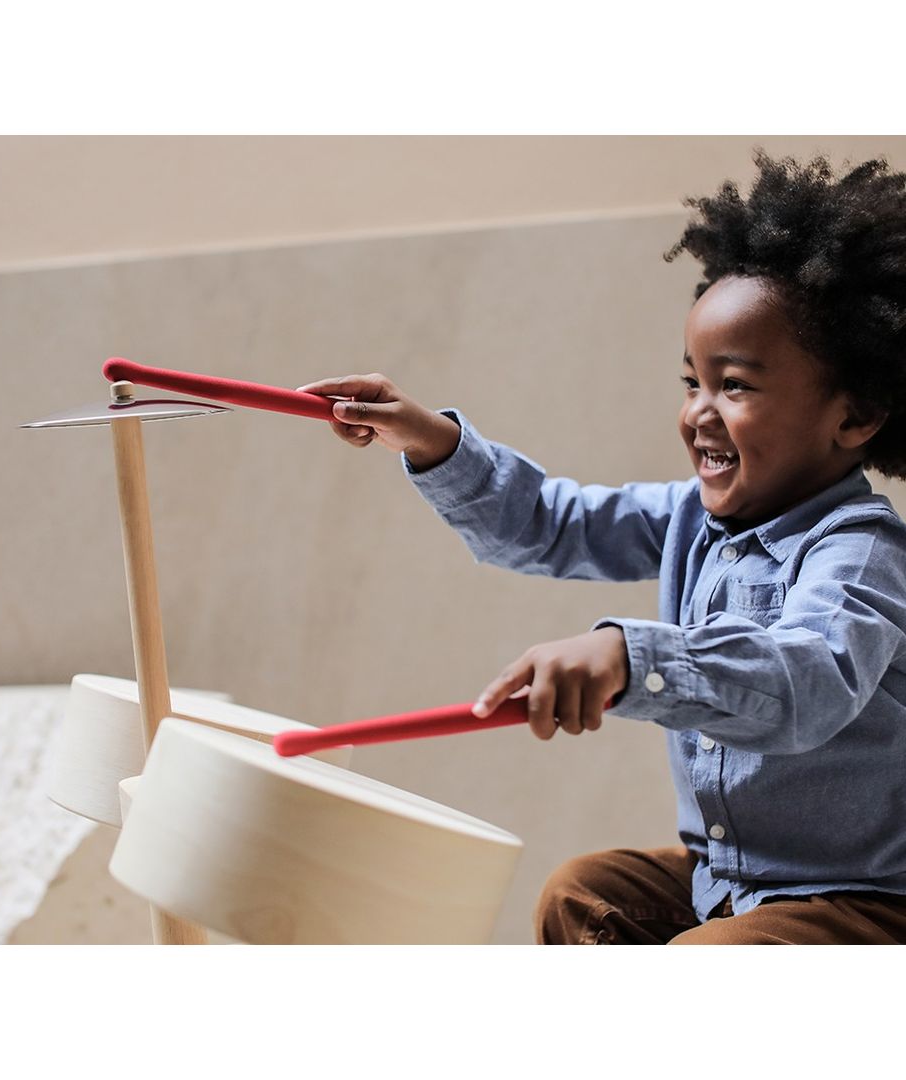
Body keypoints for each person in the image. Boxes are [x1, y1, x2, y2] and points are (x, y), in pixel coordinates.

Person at [298, 151, 906, 944]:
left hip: (862, 900)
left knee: (712, 956)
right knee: (582, 893)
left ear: (854, 418)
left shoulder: (860, 552)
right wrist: (432, 441)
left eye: (738, 386)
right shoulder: (693, 517)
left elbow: (802, 681)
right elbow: (553, 524)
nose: (700, 413)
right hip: (731, 879)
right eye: (693, 382)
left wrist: (631, 656)